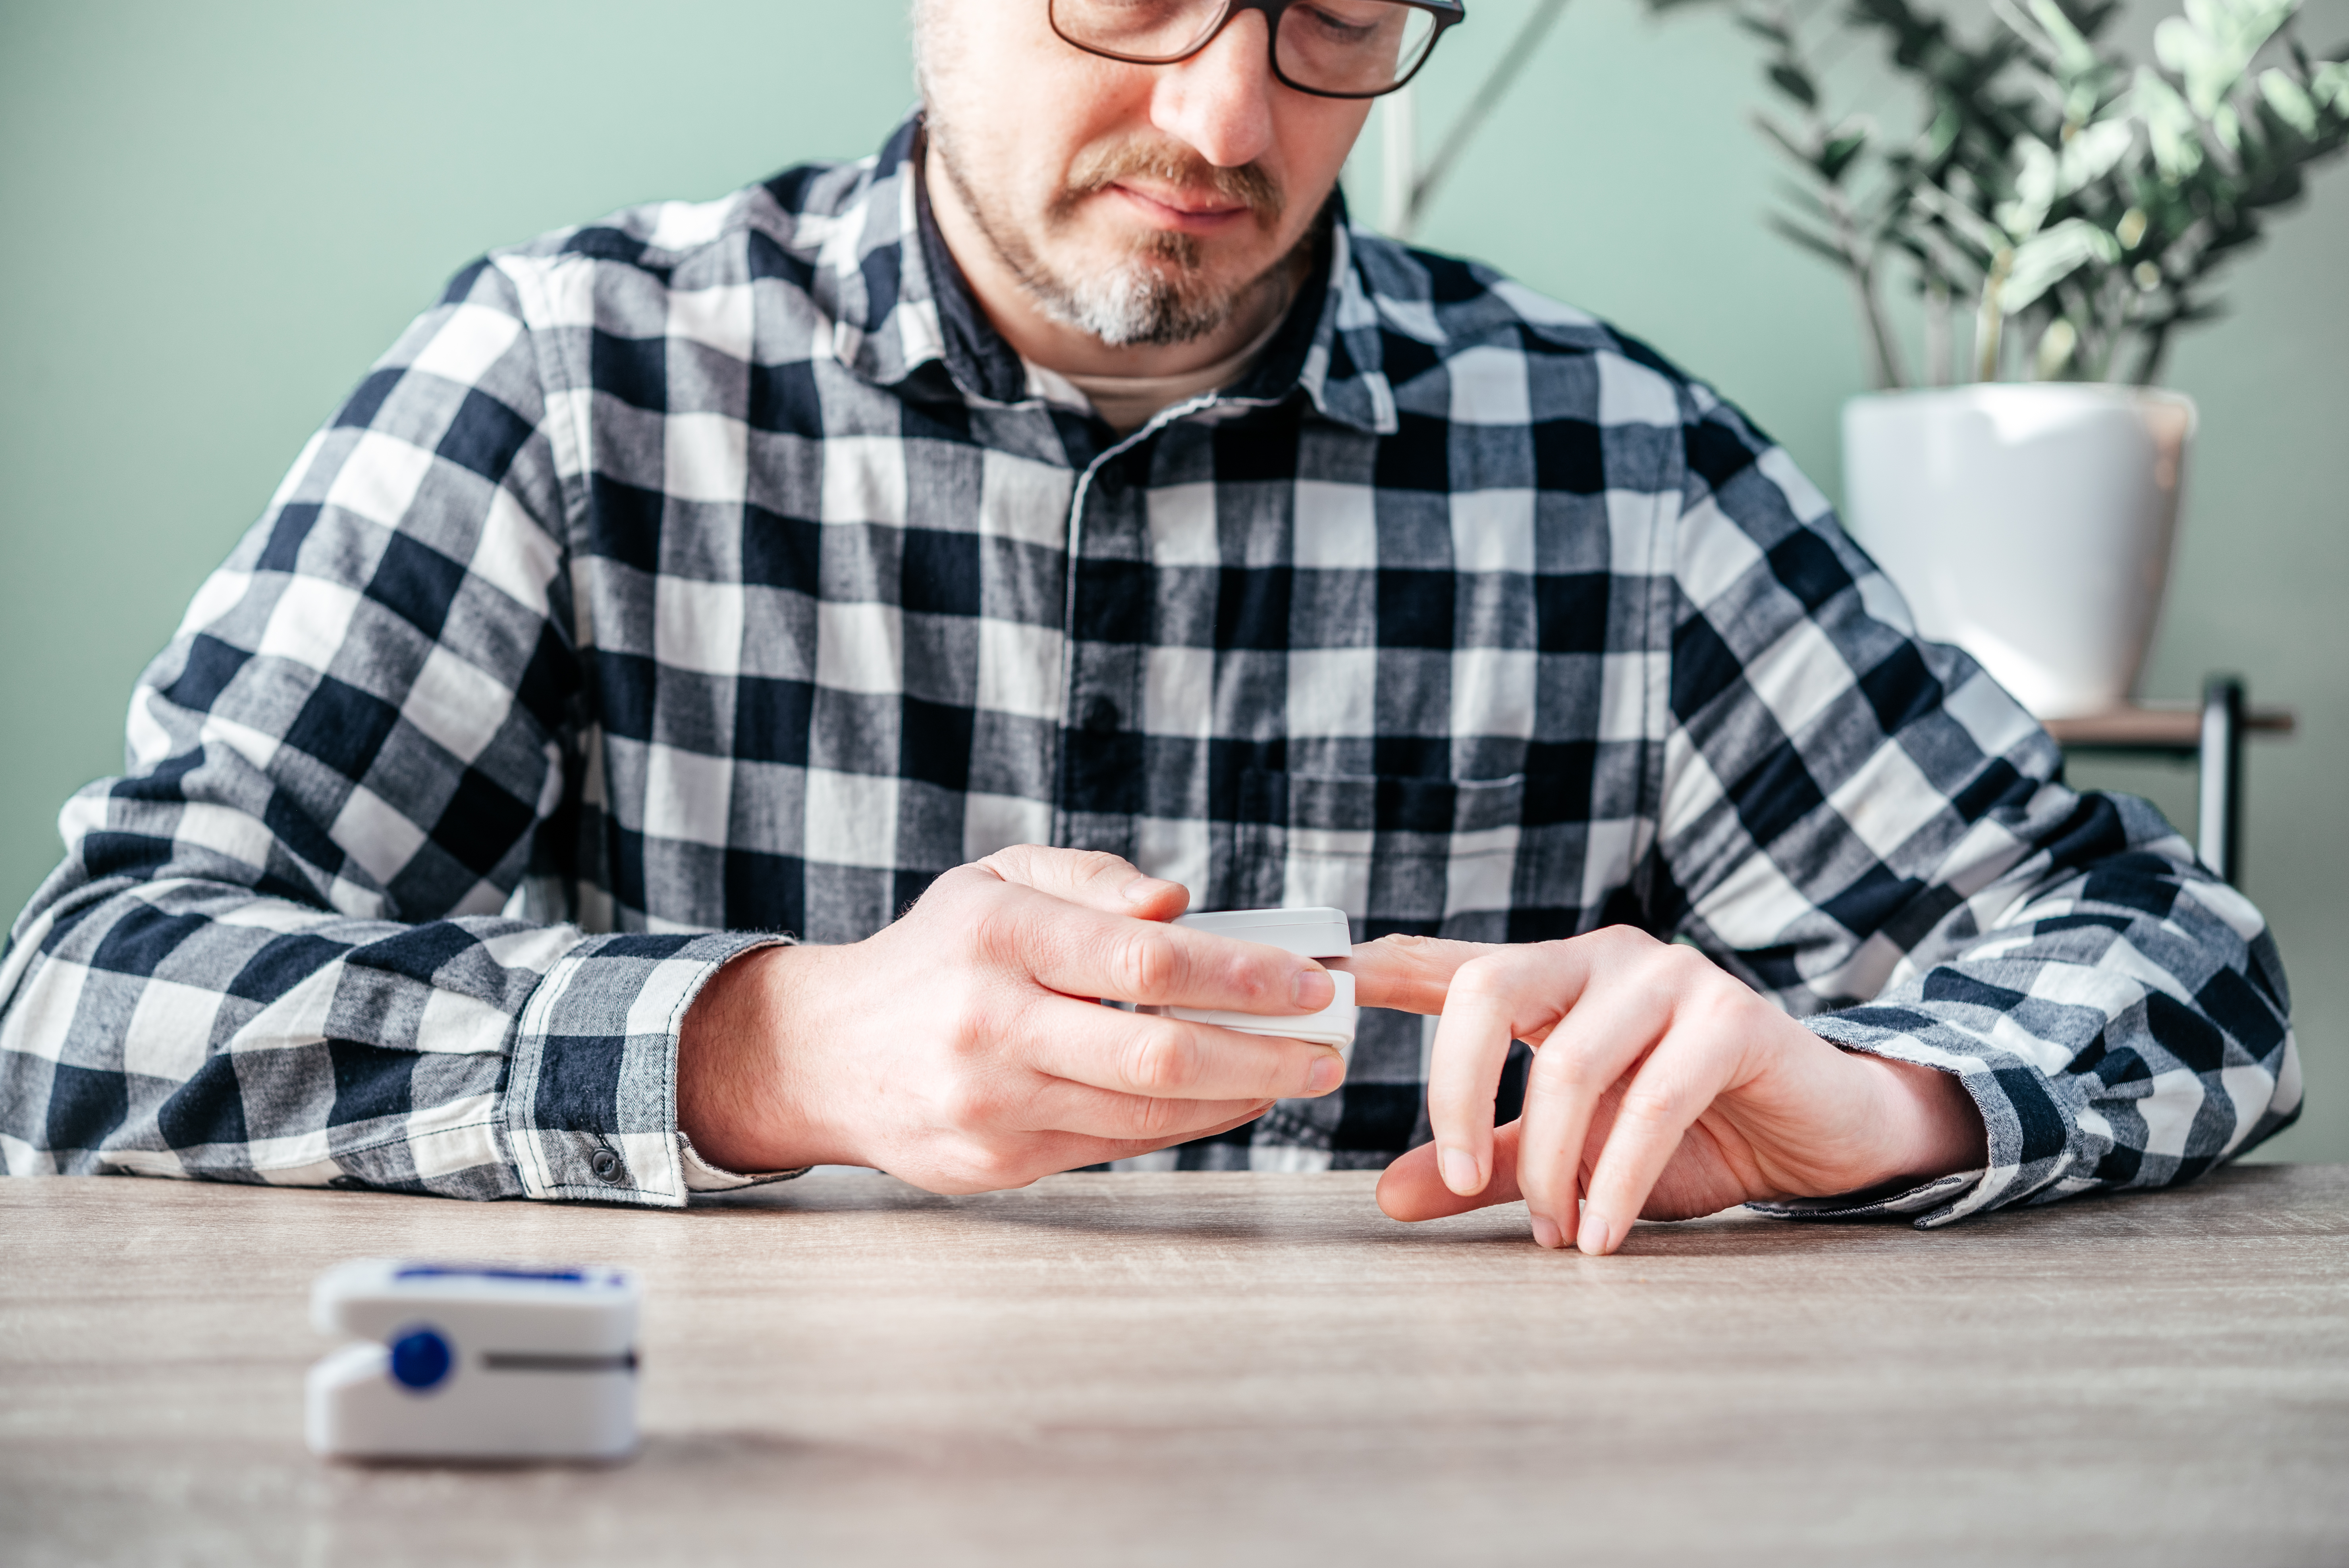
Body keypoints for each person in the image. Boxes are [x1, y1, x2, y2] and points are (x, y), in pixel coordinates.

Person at [0, 0, 2299, 1255]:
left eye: (1326, 13)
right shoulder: (566, 384)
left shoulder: (1614, 459)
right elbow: (84, 999)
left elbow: (2174, 953)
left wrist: (1877, 1094)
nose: (1225, 108)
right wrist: (769, 1050)